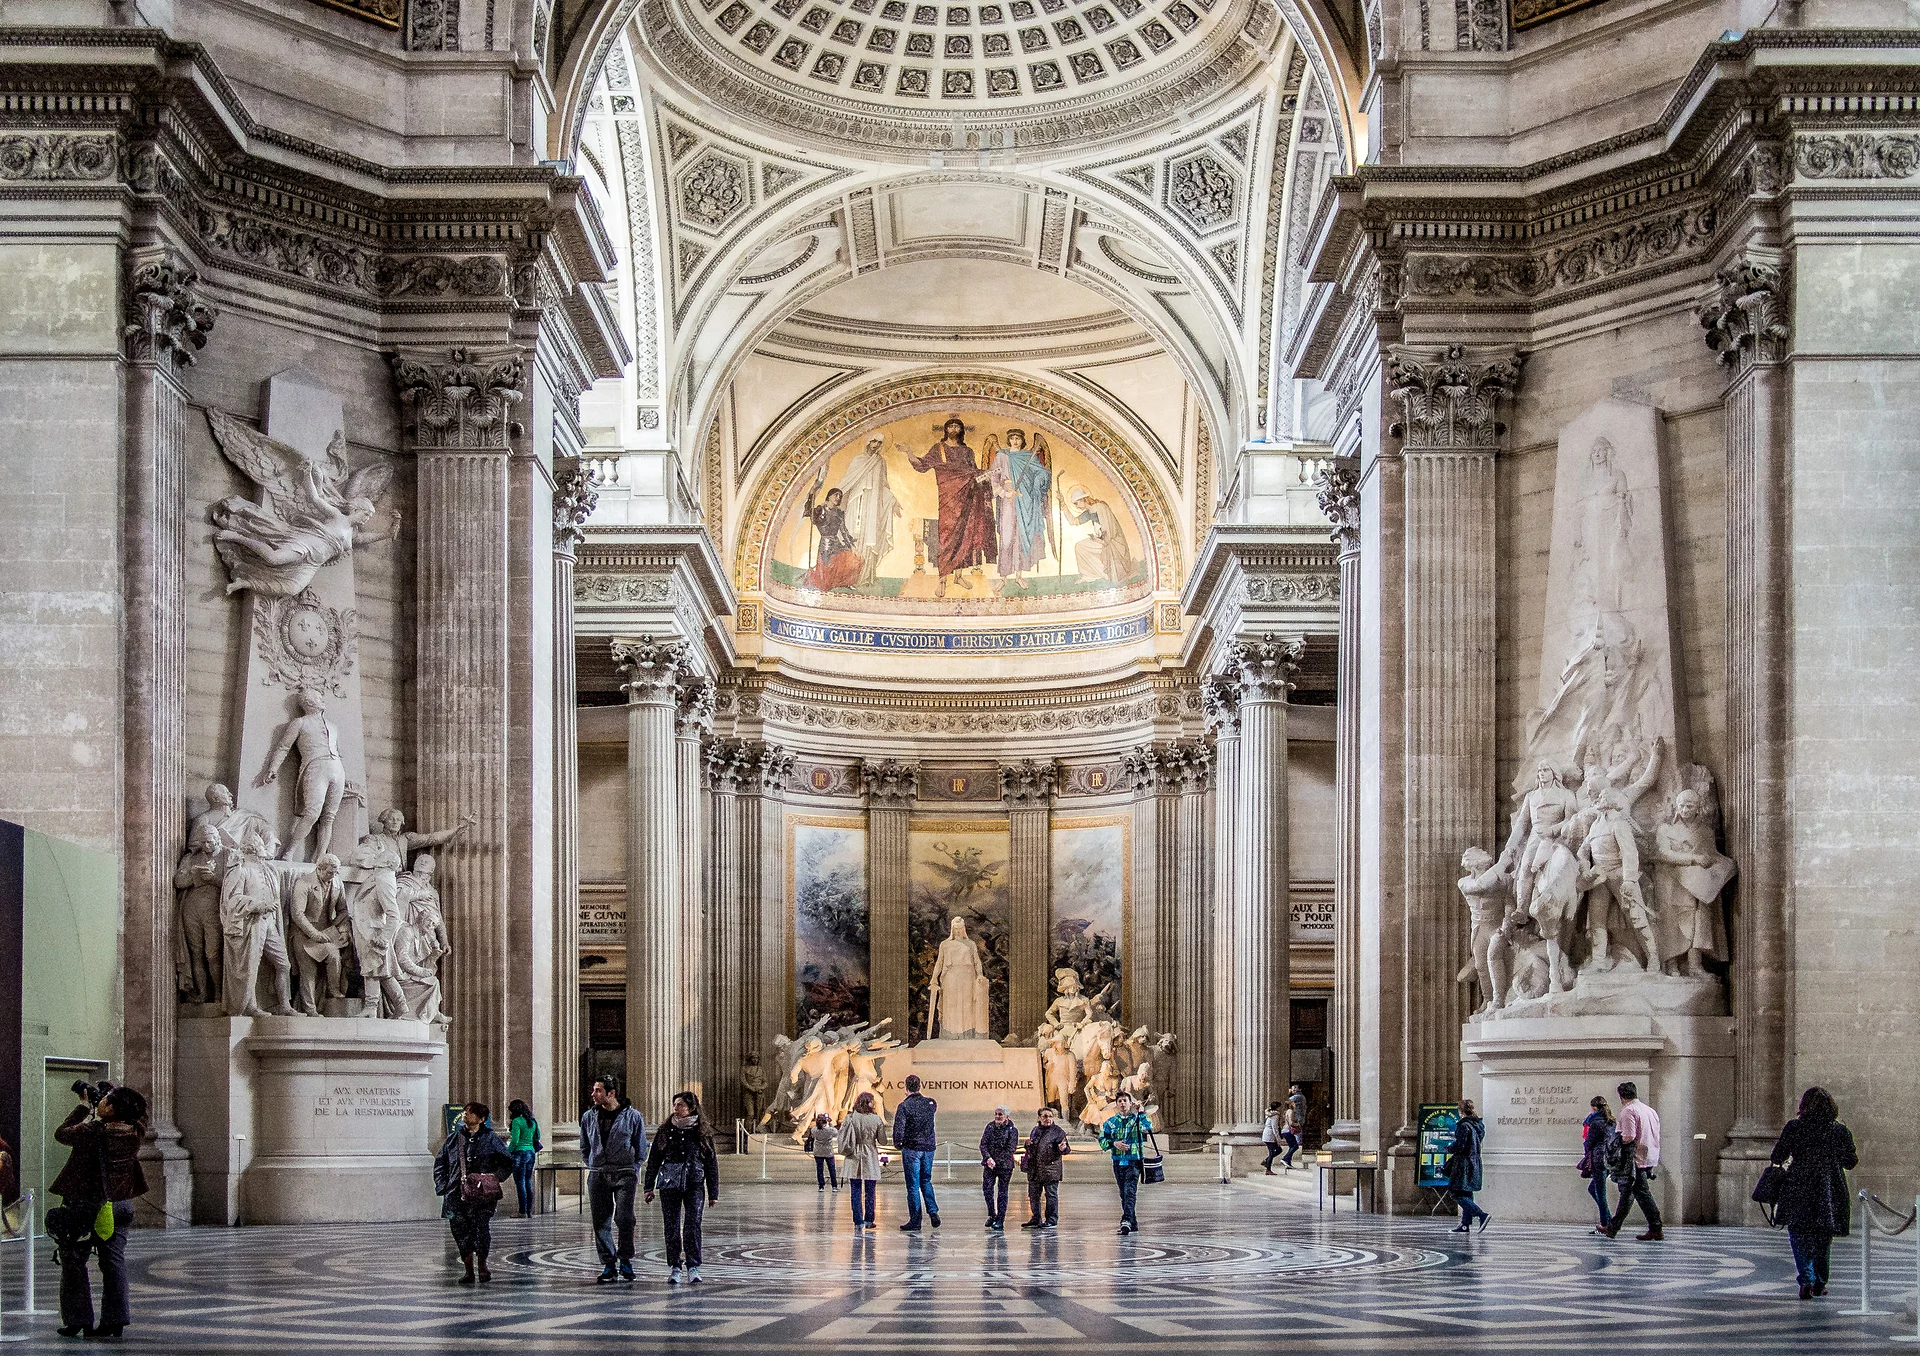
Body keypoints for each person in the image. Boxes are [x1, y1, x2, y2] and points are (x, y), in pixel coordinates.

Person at [52, 1086, 148, 1340]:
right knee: (113, 1262)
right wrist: (113, 1094)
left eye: (105, 1100)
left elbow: (61, 1133)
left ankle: (78, 1320)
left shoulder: (93, 1131)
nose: (101, 1101)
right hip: (120, 1205)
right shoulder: (136, 1131)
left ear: (112, 1109)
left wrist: (84, 1107)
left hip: (86, 1206)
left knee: (74, 1262)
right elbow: (139, 1112)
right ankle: (114, 1321)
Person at [1770, 1086, 1858, 1299]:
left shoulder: (1794, 1127)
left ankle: (1806, 1278)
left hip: (1799, 1185)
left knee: (1799, 1234)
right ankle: (1819, 1281)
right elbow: (1851, 1161)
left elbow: (1777, 1156)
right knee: (1823, 1237)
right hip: (1828, 1187)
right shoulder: (1838, 1131)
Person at [433, 1101, 514, 1285]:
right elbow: (440, 1163)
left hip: (483, 1196)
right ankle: (468, 1271)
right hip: (456, 1194)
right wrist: (443, 1185)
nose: (465, 1114)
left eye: (470, 1112)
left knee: (481, 1229)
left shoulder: (491, 1138)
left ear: (481, 1118)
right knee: (460, 1231)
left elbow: (507, 1161)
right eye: (464, 1112)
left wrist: (495, 1178)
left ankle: (483, 1266)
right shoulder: (454, 1139)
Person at [644, 1091, 721, 1284]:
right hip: (669, 1183)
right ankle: (675, 1266)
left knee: (692, 1225)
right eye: (675, 1105)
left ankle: (693, 1265)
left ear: (691, 1108)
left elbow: (711, 1163)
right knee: (671, 1226)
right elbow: (654, 1159)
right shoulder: (665, 1130)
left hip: (694, 1182)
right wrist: (648, 1186)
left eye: (680, 1105)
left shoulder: (702, 1132)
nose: (676, 1108)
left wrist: (713, 1192)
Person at [580, 1075, 648, 1282]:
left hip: (625, 1173)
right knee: (600, 1221)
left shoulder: (633, 1116)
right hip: (598, 1173)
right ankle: (609, 1263)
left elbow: (641, 1146)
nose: (593, 1094)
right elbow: (584, 1145)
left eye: (598, 1090)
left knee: (625, 1218)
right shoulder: (588, 1117)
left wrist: (634, 1167)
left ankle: (625, 1258)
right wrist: (593, 1163)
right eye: (594, 1090)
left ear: (611, 1093)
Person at [1603, 1080, 1664, 1241]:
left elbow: (1629, 1136)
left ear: (1621, 1096)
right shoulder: (1650, 1110)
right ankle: (1612, 1227)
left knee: (1642, 1194)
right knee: (1628, 1193)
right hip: (1649, 1155)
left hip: (1635, 1158)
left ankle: (1656, 1227)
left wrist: (1614, 1144)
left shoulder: (1628, 1111)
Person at [1097, 1090, 1154, 1235]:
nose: (1122, 1104)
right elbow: (1102, 1140)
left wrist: (1141, 1113)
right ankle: (1132, 1223)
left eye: (1125, 1101)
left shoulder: (1137, 1119)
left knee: (1130, 1191)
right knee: (1123, 1193)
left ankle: (1126, 1220)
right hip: (1118, 1161)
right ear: (1116, 1104)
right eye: (1120, 1101)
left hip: (1134, 1160)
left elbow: (1149, 1127)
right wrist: (1114, 1144)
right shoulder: (1110, 1122)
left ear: (1130, 1103)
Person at [893, 1074, 940, 1231]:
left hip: (912, 1148)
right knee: (926, 1180)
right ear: (920, 1086)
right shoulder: (930, 1103)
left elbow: (899, 1128)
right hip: (928, 1148)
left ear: (906, 1087)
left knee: (913, 1185)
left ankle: (915, 1219)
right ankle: (932, 1211)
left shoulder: (904, 1106)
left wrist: (898, 1143)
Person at [840, 1091, 885, 1231]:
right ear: (870, 1103)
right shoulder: (876, 1119)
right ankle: (869, 1220)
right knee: (870, 1190)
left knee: (855, 1190)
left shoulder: (850, 1118)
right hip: (869, 1154)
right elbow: (883, 1140)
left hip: (853, 1155)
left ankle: (858, 1221)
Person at [1021, 1106, 1070, 1228]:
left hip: (1050, 1169)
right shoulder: (1035, 1130)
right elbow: (1033, 1148)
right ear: (1039, 1118)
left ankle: (1051, 1219)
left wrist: (1063, 1148)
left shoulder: (1058, 1131)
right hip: (1035, 1169)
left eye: (1050, 1116)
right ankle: (1036, 1217)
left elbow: (1066, 1149)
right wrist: (1027, 1145)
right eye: (1045, 1116)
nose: (1047, 1119)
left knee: (1051, 1195)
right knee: (1033, 1195)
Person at [1446, 1098, 1490, 1233]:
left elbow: (1461, 1145)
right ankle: (1465, 1224)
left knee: (1455, 1192)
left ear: (1461, 1111)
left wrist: (1449, 1148)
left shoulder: (1464, 1125)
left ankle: (1481, 1214)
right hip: (1474, 1162)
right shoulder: (1478, 1125)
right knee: (1467, 1192)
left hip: (1463, 1163)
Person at [1578, 1095, 1615, 1234]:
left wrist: (1587, 1151)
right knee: (1593, 1189)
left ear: (1594, 1107)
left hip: (1599, 1159)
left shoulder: (1595, 1122)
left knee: (1600, 1192)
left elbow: (1589, 1141)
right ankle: (1609, 1219)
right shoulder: (1611, 1121)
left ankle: (1605, 1224)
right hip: (1608, 1159)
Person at [979, 1106, 1019, 1230]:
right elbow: (983, 1144)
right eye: (996, 1114)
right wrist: (988, 1158)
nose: (997, 1116)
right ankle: (992, 1214)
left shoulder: (1012, 1130)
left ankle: (1000, 1219)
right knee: (987, 1190)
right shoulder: (990, 1127)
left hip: (1004, 1166)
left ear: (1006, 1117)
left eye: (1000, 1114)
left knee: (1002, 1192)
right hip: (990, 1164)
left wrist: (996, 1161)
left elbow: (1010, 1149)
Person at [506, 1098, 541, 1218]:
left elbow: (515, 1141)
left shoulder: (516, 1121)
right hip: (531, 1153)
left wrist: (507, 1152)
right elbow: (538, 1136)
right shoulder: (532, 1121)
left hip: (520, 1153)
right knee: (528, 1181)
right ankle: (529, 1211)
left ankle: (522, 1211)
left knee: (520, 1182)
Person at [806, 1112, 840, 1191]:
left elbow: (813, 1133)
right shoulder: (829, 1130)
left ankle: (821, 1186)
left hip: (818, 1151)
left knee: (819, 1169)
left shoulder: (814, 1129)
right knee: (832, 1169)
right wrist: (830, 1123)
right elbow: (836, 1132)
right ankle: (834, 1186)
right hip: (828, 1152)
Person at [1279, 1099, 1303, 1169]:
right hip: (1288, 1130)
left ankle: (1288, 1162)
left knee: (1291, 1146)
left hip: (1284, 1130)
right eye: (1293, 1103)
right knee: (1295, 1146)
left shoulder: (1286, 1111)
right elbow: (1291, 1122)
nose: (1295, 1104)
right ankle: (1285, 1158)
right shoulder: (1290, 1111)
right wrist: (1297, 1124)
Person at [1262, 1101, 1283, 1175]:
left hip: (1267, 1135)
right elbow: (1275, 1128)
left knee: (1278, 1150)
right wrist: (1278, 1139)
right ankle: (1268, 1169)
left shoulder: (1269, 1114)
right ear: (1277, 1108)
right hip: (1270, 1136)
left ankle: (1266, 1161)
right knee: (1272, 1152)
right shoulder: (1275, 1116)